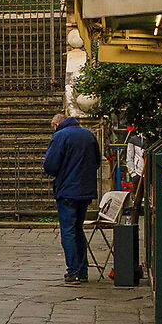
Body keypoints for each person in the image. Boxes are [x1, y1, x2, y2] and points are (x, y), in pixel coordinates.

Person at [42, 113, 101, 284]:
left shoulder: (60, 136)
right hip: (85, 190)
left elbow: (51, 165)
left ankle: (73, 271)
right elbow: (96, 162)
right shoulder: (89, 134)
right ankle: (82, 270)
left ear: (56, 124)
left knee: (68, 231)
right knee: (78, 229)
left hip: (67, 190)